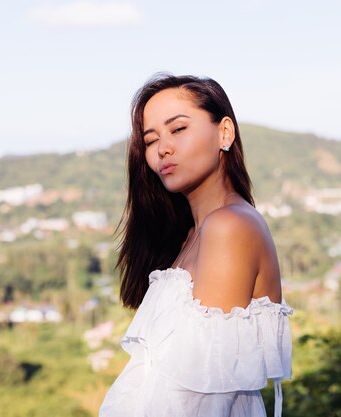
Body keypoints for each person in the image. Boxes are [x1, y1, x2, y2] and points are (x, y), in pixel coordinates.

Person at [99, 73, 293, 417]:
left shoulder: (229, 227)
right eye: (150, 139)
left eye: (178, 129)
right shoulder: (194, 234)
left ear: (225, 133)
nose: (163, 148)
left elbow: (203, 400)